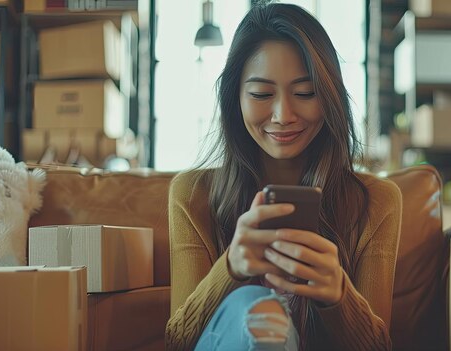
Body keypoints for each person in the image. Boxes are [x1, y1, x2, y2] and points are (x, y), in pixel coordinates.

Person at [165, 2, 401, 350]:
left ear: (330, 98)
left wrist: (339, 295)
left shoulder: (375, 201)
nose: (282, 115)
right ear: (236, 99)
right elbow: (177, 343)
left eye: (305, 93)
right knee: (258, 311)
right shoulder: (192, 195)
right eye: (261, 94)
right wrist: (230, 267)